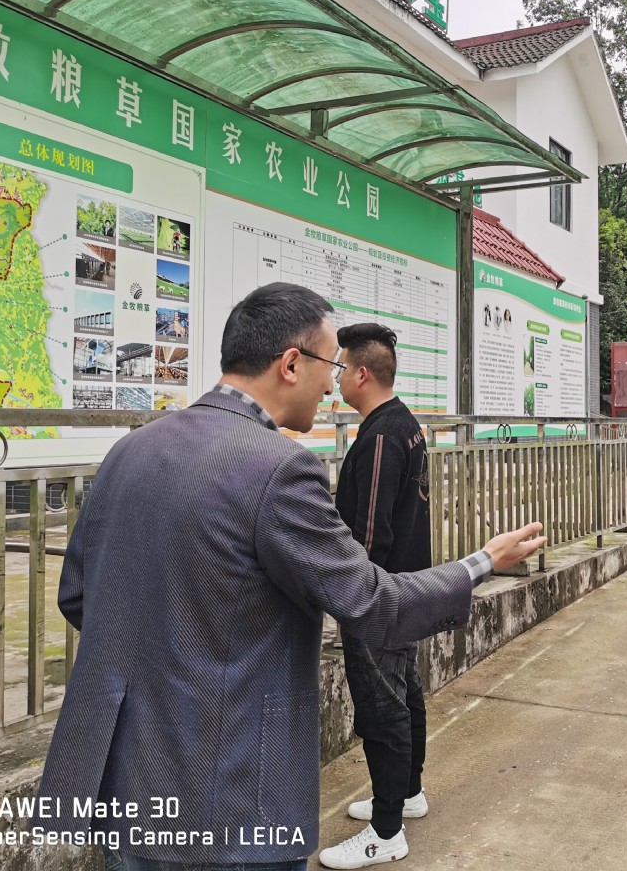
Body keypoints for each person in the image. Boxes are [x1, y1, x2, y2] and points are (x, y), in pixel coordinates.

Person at [35, 282, 546, 871]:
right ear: (291, 364)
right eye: (330, 366)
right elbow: (371, 601)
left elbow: (78, 595)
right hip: (233, 799)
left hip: (131, 789)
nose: (331, 386)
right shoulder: (280, 468)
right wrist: (481, 562)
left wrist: (175, 658)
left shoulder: (129, 452)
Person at [320, 323, 433, 869]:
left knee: (383, 708)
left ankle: (386, 832)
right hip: (405, 591)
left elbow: (368, 534)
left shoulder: (383, 436)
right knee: (405, 695)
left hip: (379, 599)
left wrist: (353, 598)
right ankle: (407, 795)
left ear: (361, 373)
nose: (335, 378)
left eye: (340, 367)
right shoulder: (405, 423)